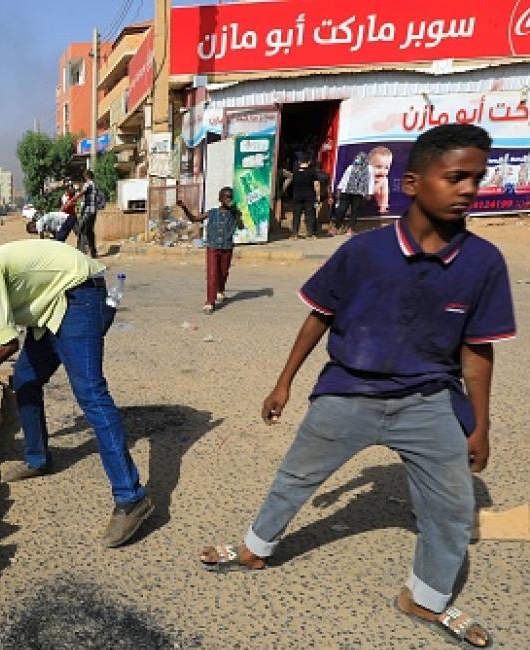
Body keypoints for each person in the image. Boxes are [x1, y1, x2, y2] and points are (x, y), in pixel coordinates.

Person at [197, 125, 513, 649]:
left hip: (430, 400)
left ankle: (426, 598)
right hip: (348, 391)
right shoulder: (363, 252)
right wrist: (284, 383)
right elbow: (318, 317)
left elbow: (478, 352)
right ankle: (255, 548)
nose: (467, 189)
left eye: (475, 179)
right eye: (455, 177)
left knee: (453, 510)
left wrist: (479, 425)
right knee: (295, 477)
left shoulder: (483, 264)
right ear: (412, 183)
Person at [0, 240, 153, 548]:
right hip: (51, 309)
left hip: (79, 297)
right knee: (26, 380)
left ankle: (131, 498)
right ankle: (38, 458)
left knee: (91, 394)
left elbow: (7, 346)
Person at [177, 187, 242, 314]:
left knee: (223, 273)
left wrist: (237, 214)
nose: (228, 199)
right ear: (220, 199)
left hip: (227, 247)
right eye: (226, 197)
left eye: (230, 197)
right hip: (212, 246)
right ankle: (210, 302)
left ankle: (220, 290)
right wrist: (184, 207)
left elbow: (241, 226)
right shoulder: (212, 213)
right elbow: (194, 219)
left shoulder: (234, 214)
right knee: (212, 274)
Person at [331, 152, 373, 235]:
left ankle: (350, 229)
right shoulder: (351, 167)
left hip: (359, 193)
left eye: (359, 158)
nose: (357, 160)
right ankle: (336, 227)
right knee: (341, 210)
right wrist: (339, 189)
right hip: (346, 191)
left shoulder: (369, 169)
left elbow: (370, 181)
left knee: (355, 211)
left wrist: (369, 193)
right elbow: (345, 178)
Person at [286, 155, 321, 238]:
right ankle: (310, 233)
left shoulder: (295, 171)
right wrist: (318, 195)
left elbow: (290, 182)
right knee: (310, 214)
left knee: (296, 214)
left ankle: (295, 233)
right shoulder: (312, 171)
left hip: (297, 195)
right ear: (309, 162)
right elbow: (316, 184)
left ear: (299, 162)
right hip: (309, 196)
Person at [75, 170, 99, 257]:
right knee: (89, 231)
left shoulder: (88, 184)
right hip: (94, 211)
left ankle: (81, 251)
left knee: (81, 229)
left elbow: (82, 193)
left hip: (88, 211)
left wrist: (72, 200)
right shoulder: (95, 185)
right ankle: (93, 252)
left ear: (86, 176)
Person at [368, 146, 395, 215]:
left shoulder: (384, 180)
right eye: (378, 167)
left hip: (374, 210)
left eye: (386, 168)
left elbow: (384, 196)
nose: (382, 171)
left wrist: (383, 208)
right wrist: (379, 184)